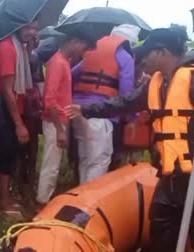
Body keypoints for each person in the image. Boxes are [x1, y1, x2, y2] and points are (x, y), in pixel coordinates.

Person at [65, 28, 192, 252]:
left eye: (147, 54)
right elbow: (123, 103)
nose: (140, 60)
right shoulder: (156, 84)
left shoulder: (190, 78)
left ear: (163, 52)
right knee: (161, 228)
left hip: (191, 176)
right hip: (169, 177)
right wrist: (86, 109)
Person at [71, 24, 141, 183]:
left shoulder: (91, 51)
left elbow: (72, 75)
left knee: (86, 158)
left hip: (78, 111)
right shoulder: (124, 56)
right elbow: (126, 92)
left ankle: (81, 197)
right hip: (101, 114)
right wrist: (132, 118)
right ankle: (90, 203)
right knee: (99, 160)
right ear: (129, 41)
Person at [36, 29, 96, 205]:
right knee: (51, 165)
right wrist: (60, 129)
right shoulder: (58, 63)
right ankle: (43, 202)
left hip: (60, 120)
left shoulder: (63, 62)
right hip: (55, 122)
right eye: (84, 48)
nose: (83, 52)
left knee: (53, 163)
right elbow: (49, 99)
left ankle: (45, 197)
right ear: (75, 41)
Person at [0, 20, 39, 216]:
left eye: (36, 28)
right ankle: (4, 201)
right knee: (7, 154)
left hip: (14, 107)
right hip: (5, 108)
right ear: (17, 26)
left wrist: (30, 48)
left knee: (11, 155)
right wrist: (19, 124)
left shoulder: (19, 47)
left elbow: (25, 69)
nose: (32, 32)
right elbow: (7, 90)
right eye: (28, 27)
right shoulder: (7, 48)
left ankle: (7, 196)